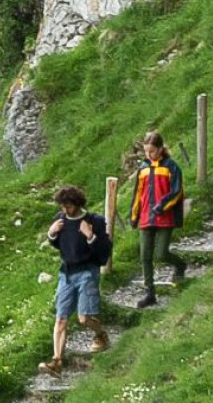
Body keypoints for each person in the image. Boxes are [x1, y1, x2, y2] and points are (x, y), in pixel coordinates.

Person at [40, 183, 114, 366]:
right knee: (61, 318)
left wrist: (90, 236)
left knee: (84, 318)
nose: (65, 210)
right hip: (66, 273)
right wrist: (51, 234)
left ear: (78, 204)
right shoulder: (61, 219)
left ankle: (101, 334)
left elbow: (105, 250)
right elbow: (61, 245)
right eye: (62, 206)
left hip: (87, 273)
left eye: (69, 206)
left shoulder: (93, 221)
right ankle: (56, 361)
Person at [128, 132, 187, 307]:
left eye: (152, 151)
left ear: (160, 149)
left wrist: (162, 205)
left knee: (161, 254)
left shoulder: (171, 167)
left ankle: (180, 264)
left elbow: (177, 192)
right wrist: (134, 215)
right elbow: (138, 194)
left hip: (164, 217)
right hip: (146, 216)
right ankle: (150, 293)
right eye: (146, 151)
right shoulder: (143, 169)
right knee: (145, 255)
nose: (149, 155)